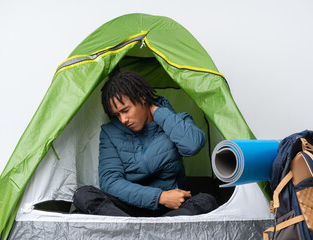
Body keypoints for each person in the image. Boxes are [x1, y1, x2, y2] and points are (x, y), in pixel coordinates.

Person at [73, 70, 218, 217]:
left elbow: (193, 145)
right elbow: (110, 182)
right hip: (127, 209)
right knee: (83, 195)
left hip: (171, 207)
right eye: (117, 114)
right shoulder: (110, 132)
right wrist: (159, 197)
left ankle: (139, 231)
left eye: (126, 110)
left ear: (142, 98)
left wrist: (156, 110)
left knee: (206, 200)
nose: (123, 119)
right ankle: (142, 230)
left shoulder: (177, 121)